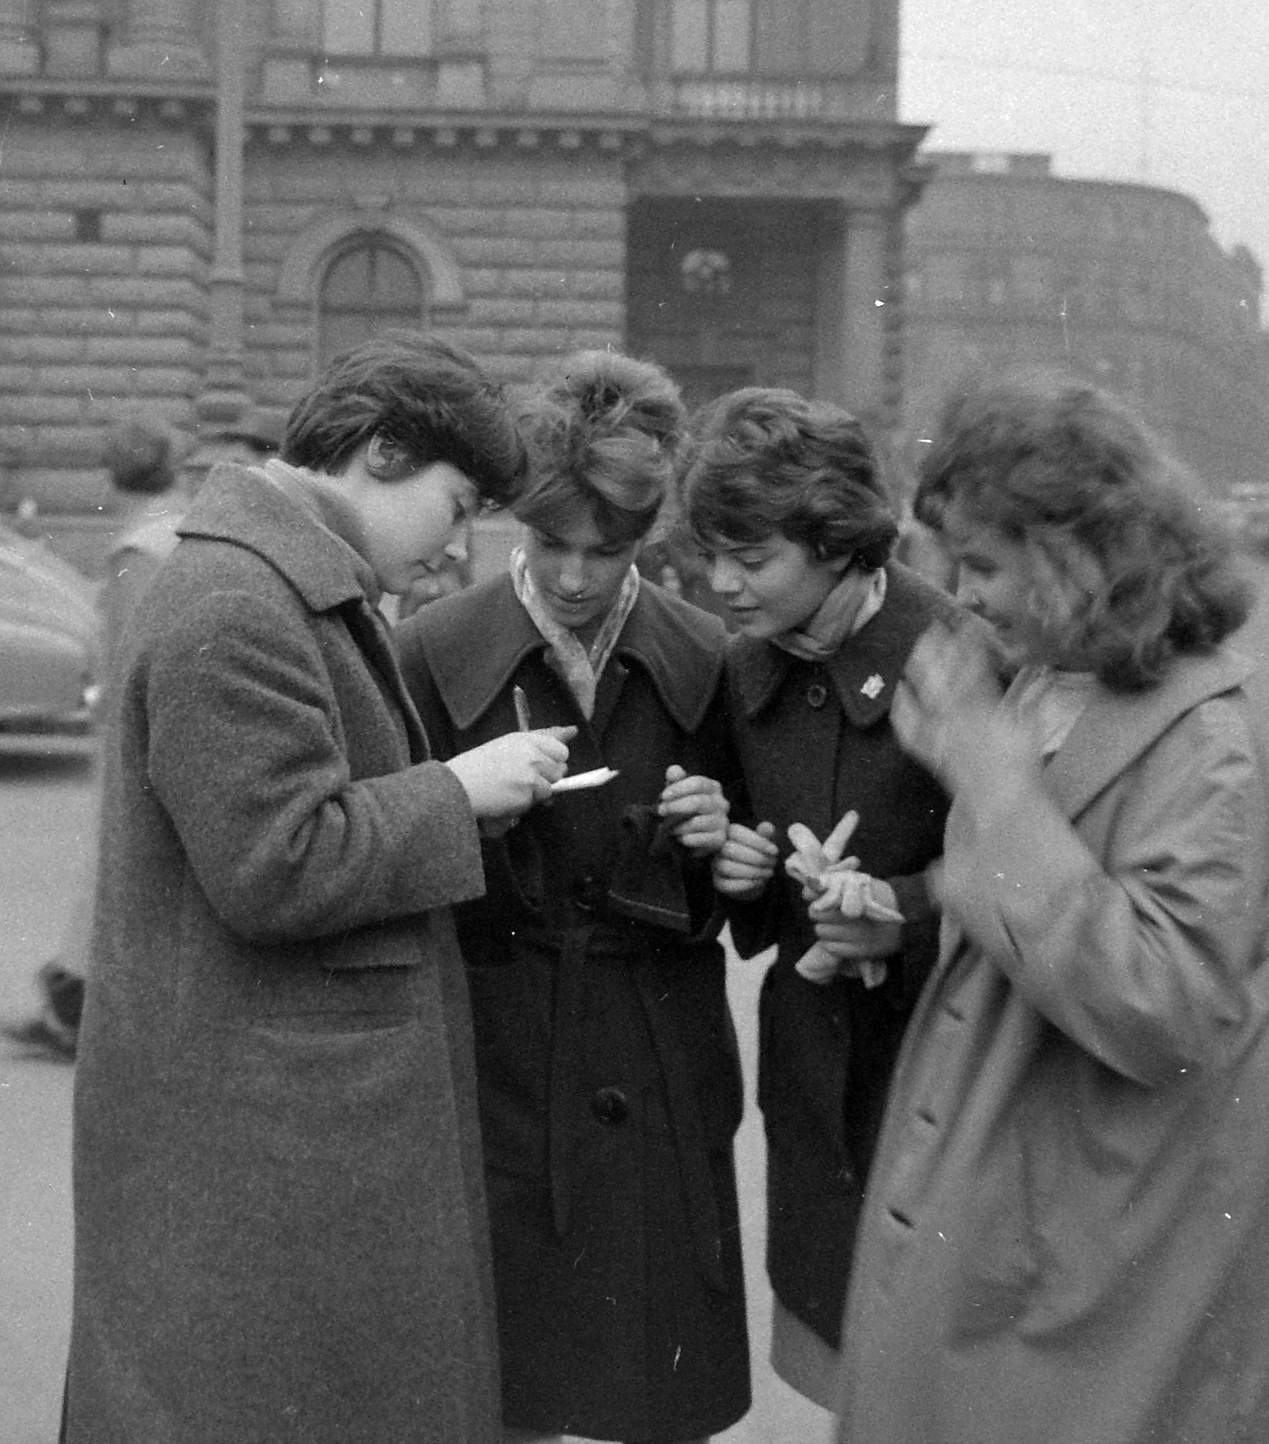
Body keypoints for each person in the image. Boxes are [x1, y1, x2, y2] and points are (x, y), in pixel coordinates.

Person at [62, 332, 575, 1444]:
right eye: (457, 502)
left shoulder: (276, 581)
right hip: (270, 1137)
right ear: (382, 454)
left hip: (287, 1117)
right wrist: (454, 791)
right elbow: (274, 865)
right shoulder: (235, 604)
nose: (457, 546)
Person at [837, 377, 1269, 1444]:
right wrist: (910, 911)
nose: (959, 595)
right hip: (1006, 1202)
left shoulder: (1208, 738)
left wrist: (992, 783)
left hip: (1095, 1237)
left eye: (981, 566)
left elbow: (1167, 1004)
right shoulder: (1048, 676)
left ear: (1079, 555)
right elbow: (1043, 888)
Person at [395, 350, 751, 1444]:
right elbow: (390, 873)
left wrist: (713, 840)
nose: (578, 576)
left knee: (656, 1391)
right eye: (551, 541)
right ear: (513, 520)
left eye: (612, 548)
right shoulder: (429, 653)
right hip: (500, 1067)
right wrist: (463, 824)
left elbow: (745, 893)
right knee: (508, 1388)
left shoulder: (708, 655)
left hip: (659, 1067)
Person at [674, 387, 954, 1409]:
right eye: (712, 554)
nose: (721, 584)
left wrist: (901, 910)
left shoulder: (960, 658)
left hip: (934, 1079)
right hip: (811, 1093)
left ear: (837, 543)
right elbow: (740, 865)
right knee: (838, 1380)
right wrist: (728, 859)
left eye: (751, 560)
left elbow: (1038, 882)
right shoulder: (745, 669)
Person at [0, 407, 283, 1060]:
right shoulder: (179, 530)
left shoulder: (139, 548)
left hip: (139, 736)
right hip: (174, 729)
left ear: (113, 479)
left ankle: (81, 1009)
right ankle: (74, 998)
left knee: (119, 869)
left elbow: (128, 659)